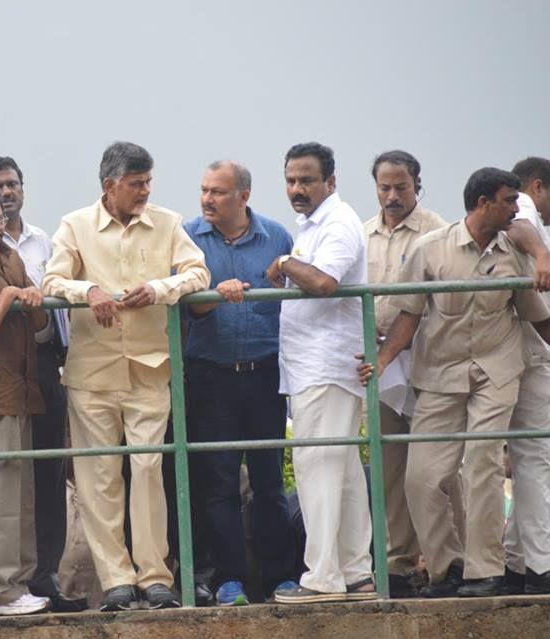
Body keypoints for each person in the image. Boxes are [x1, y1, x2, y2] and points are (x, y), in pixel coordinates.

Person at [360, 167, 550, 598]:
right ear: (483, 203)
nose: (515, 208)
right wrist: (383, 359)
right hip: (442, 373)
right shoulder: (432, 249)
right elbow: (408, 315)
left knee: (482, 462)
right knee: (422, 476)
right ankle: (448, 567)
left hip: (497, 369)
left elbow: (537, 317)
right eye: (507, 200)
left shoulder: (513, 253)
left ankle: (486, 572)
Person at [43, 141, 210, 611]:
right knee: (99, 479)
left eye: (147, 182)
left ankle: (155, 576)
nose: (144, 191)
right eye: (136, 184)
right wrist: (89, 289)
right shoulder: (75, 225)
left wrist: (160, 288)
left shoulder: (168, 222)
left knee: (148, 468)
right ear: (109, 186)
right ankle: (116, 579)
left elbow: (198, 273)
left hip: (150, 367)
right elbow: (51, 282)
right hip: (91, 373)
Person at [0, 156, 80, 611]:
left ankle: (19, 586)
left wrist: (34, 297)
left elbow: (41, 316)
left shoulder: (9, 253)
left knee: (22, 495)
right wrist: (8, 296)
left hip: (25, 389)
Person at [268, 142, 377, 604]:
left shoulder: (338, 222)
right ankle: (356, 574)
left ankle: (322, 577)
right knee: (344, 470)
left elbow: (324, 283)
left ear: (330, 182)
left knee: (317, 466)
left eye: (307, 180)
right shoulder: (313, 225)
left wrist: (283, 263)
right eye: (292, 180)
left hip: (327, 366)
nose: (297, 188)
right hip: (316, 366)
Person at [184, 160, 296, 606]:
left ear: (243, 197)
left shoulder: (276, 237)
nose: (208, 199)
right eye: (204, 189)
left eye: (218, 192)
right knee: (219, 481)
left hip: (265, 373)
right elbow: (182, 303)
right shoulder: (188, 238)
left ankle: (280, 578)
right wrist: (210, 297)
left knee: (269, 479)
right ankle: (229, 578)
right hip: (210, 376)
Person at [363, 150, 447, 597]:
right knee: (390, 467)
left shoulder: (438, 233)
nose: (393, 196)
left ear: (418, 184)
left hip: (428, 361)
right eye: (385, 188)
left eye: (401, 187)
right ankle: (396, 565)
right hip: (380, 364)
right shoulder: (363, 234)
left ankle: (444, 564)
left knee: (438, 469)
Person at [504, 156, 550, 595]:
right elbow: (519, 226)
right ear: (538, 187)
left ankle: (518, 560)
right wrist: (541, 252)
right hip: (530, 355)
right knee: (535, 458)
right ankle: (541, 565)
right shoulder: (522, 207)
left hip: (520, 353)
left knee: (526, 458)